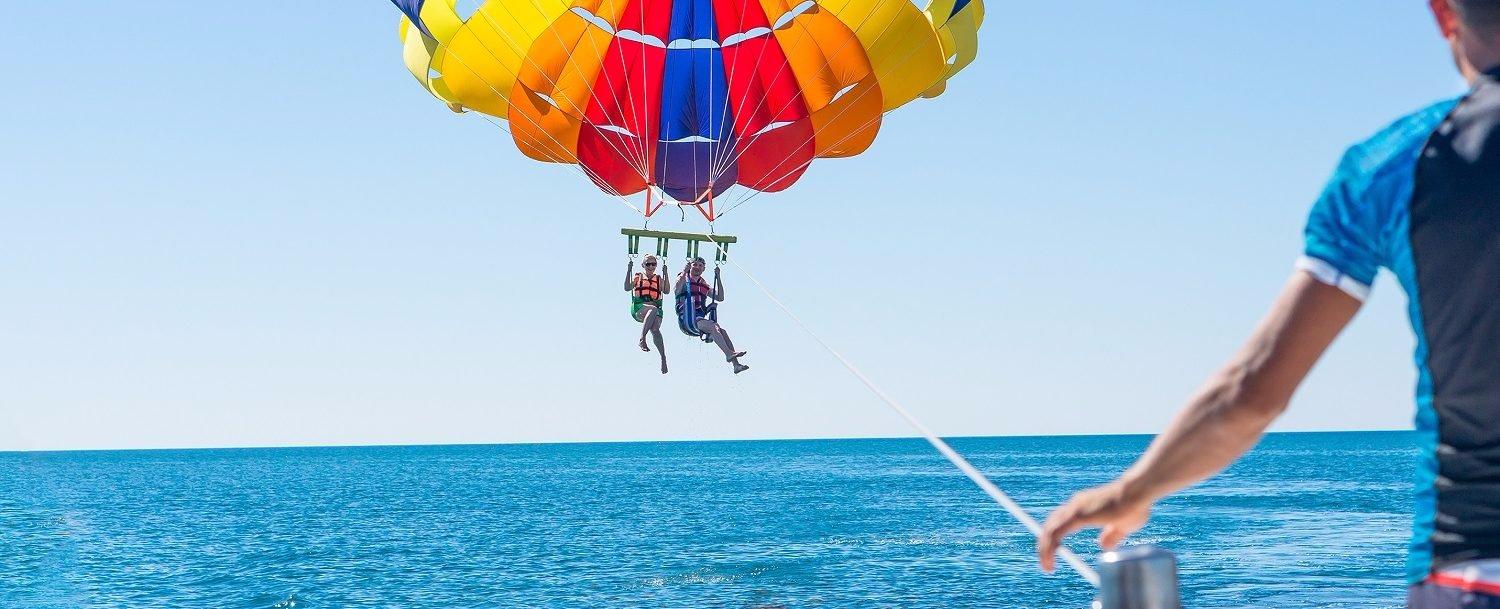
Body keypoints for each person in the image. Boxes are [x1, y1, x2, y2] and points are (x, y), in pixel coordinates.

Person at [1034, 2, 1500, 606]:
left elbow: (1251, 391)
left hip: (1471, 570)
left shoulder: (1394, 166)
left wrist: (1135, 487)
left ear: (1444, 15)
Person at [677, 257, 749, 374]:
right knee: (712, 326)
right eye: (695, 264)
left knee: (722, 331)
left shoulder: (704, 285)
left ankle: (736, 365)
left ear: (704, 269)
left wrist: (718, 277)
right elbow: (676, 289)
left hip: (699, 318)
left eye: (700, 265)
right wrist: (684, 271)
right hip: (687, 319)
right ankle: (728, 354)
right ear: (690, 266)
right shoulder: (684, 279)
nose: (697, 267)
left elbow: (720, 297)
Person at [625, 255, 670, 374]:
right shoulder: (638, 277)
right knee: (653, 310)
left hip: (655, 308)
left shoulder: (659, 278)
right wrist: (629, 270)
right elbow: (626, 288)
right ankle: (642, 338)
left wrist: (666, 273)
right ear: (643, 265)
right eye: (648, 264)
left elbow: (666, 291)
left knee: (655, 330)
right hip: (639, 308)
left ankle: (663, 358)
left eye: (653, 264)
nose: (651, 266)